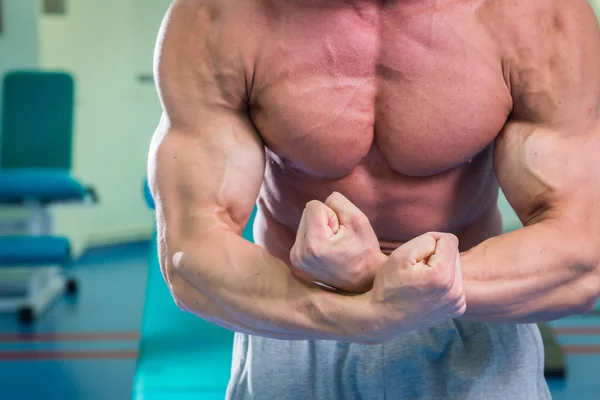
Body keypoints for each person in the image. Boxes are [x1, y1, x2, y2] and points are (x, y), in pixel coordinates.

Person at [147, 0, 600, 398]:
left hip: (473, 319)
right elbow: (191, 255)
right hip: (293, 317)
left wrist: (389, 283)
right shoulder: (219, 17)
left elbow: (584, 253)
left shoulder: (537, 17)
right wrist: (362, 309)